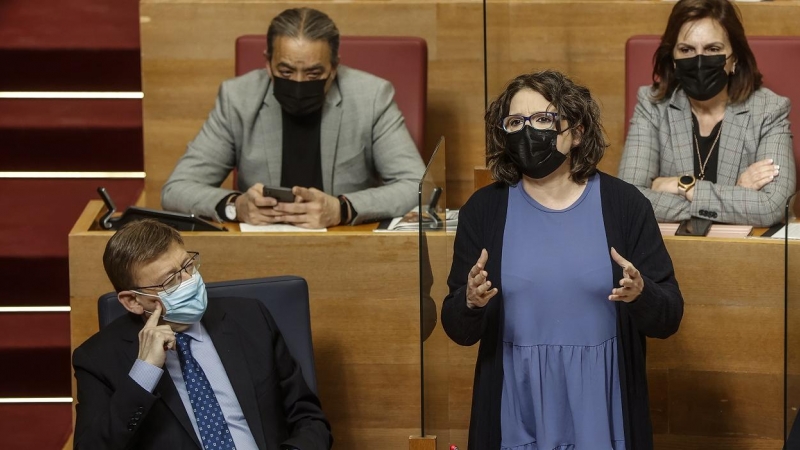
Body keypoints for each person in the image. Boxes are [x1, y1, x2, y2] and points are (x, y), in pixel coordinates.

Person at [441, 70, 684, 450]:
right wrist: (470, 302)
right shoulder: (484, 210)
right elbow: (458, 328)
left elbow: (669, 316)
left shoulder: (624, 205)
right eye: (515, 122)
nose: (527, 131)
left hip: (602, 400)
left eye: (542, 119)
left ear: (578, 131)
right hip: (516, 402)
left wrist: (641, 293)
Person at [72, 219, 332, 449]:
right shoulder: (97, 359)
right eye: (170, 281)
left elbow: (308, 418)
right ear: (133, 301)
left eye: (188, 265)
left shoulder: (250, 318)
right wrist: (144, 372)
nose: (189, 281)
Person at [161, 7, 426, 228]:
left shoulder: (371, 97)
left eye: (313, 74)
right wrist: (235, 206)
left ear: (334, 67)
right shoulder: (237, 98)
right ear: (268, 63)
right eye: (286, 72)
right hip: (259, 251)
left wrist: (342, 209)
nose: (299, 83)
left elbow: (418, 187)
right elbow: (177, 189)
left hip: (346, 244)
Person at [618, 0, 795, 227]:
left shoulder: (769, 110)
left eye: (713, 49)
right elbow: (628, 199)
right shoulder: (652, 105)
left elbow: (772, 206)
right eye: (686, 50)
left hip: (741, 253)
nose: (699, 61)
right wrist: (734, 195)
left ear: (735, 59)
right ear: (673, 59)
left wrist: (683, 186)